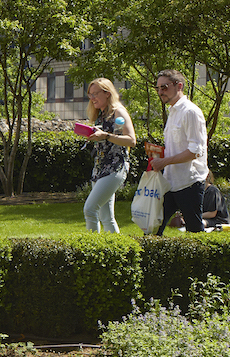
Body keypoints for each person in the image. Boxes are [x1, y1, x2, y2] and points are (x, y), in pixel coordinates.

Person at [150, 69, 209, 236]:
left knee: (194, 232)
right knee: (153, 228)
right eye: (158, 88)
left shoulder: (190, 112)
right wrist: (158, 155)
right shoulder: (173, 112)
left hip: (189, 181)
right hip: (170, 181)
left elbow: (195, 152)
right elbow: (177, 148)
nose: (160, 92)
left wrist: (164, 162)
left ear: (179, 86)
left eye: (164, 87)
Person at [82, 78, 137, 233]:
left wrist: (105, 136)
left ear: (107, 93)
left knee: (90, 209)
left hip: (115, 167)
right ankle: (114, 246)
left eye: (95, 94)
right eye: (90, 95)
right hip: (100, 167)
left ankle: (92, 245)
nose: (92, 98)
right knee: (106, 217)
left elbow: (131, 140)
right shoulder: (101, 114)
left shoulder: (118, 111)